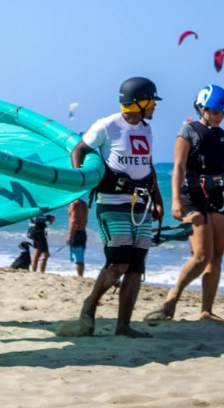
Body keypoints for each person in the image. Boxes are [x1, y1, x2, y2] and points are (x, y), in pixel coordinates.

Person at [57, 77, 164, 338]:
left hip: (141, 204)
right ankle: (89, 308)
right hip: (112, 202)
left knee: (136, 266)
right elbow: (78, 150)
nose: (155, 107)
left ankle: (123, 326)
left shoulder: (146, 129)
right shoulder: (107, 125)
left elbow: (147, 166)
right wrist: (78, 191)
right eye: (152, 101)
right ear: (139, 102)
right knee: (118, 264)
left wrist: (158, 200)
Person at [147, 84, 224, 322]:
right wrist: (175, 199)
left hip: (219, 195)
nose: (219, 116)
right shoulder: (188, 131)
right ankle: (173, 296)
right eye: (215, 111)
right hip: (192, 196)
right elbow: (179, 167)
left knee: (217, 255)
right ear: (202, 108)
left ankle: (206, 310)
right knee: (201, 255)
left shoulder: (222, 136)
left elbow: (221, 167)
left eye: (222, 112)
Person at [67, 197, 89, 276]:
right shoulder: (84, 203)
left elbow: (73, 220)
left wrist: (69, 235)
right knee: (80, 255)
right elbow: (86, 220)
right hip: (83, 231)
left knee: (78, 257)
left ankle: (80, 276)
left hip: (76, 232)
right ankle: (80, 275)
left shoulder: (74, 204)